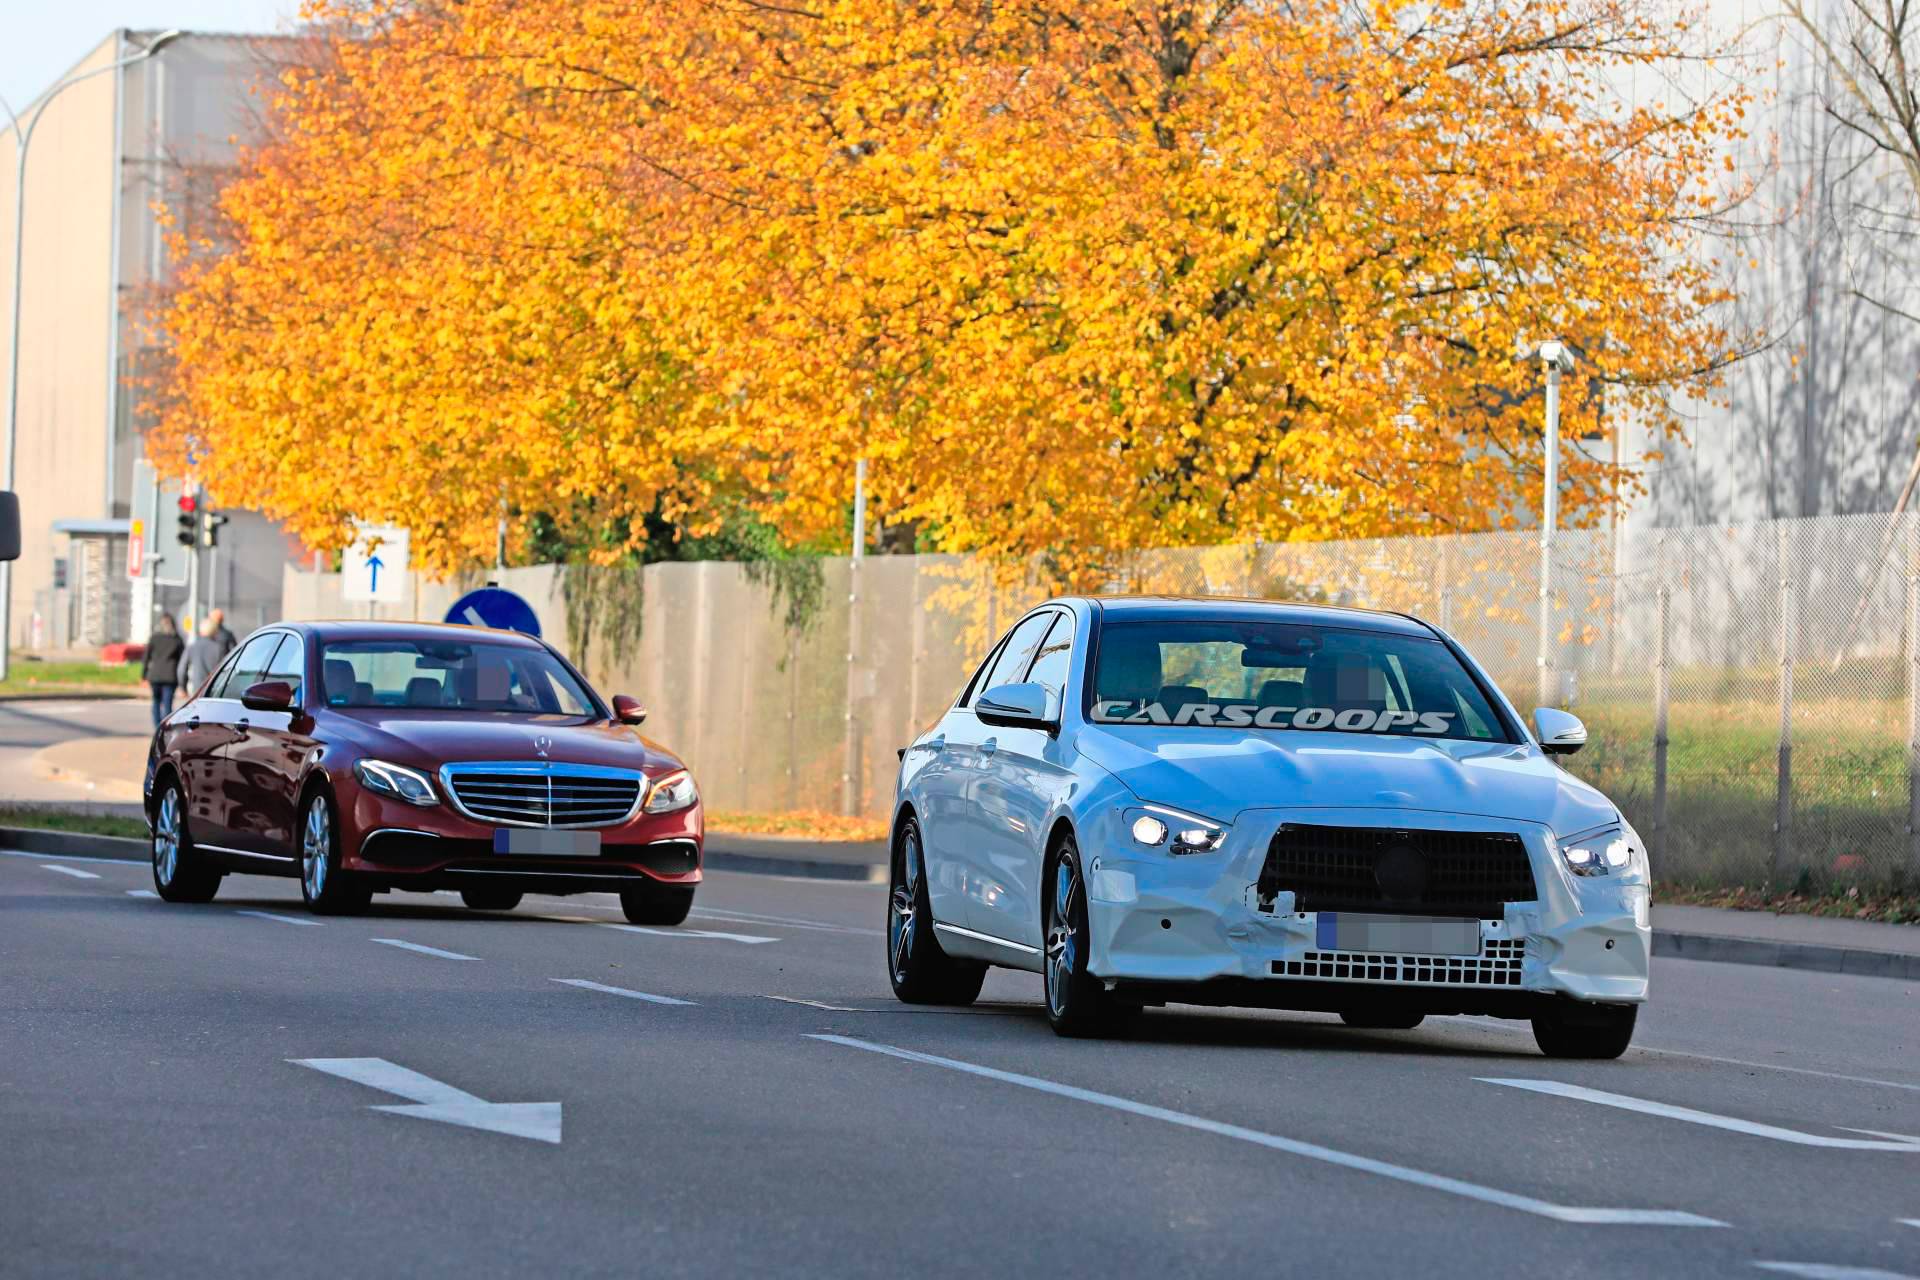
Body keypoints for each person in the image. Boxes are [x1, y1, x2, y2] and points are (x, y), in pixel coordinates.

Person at [140, 613, 185, 727]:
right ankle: (166, 727)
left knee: (156, 701)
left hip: (154, 675)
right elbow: (182, 661)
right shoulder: (177, 640)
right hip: (170, 676)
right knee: (167, 703)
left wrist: (143, 675)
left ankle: (157, 726)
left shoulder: (154, 638)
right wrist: (183, 680)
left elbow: (146, 657)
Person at [178, 618, 225, 698]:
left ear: (201, 631)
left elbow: (181, 669)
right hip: (215, 690)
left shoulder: (192, 647)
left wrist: (183, 688)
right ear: (215, 631)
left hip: (197, 690)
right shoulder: (219, 648)